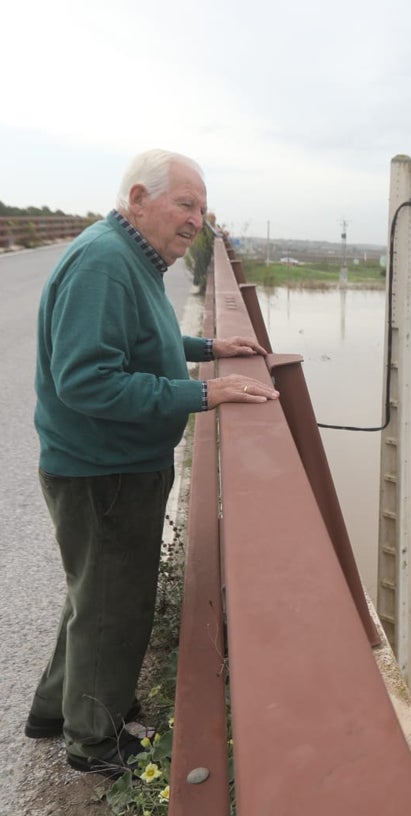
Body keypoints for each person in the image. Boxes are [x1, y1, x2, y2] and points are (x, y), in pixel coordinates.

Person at [24, 149, 278, 777]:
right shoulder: (107, 263)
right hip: (101, 470)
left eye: (202, 208)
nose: (197, 220)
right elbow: (86, 380)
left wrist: (207, 347)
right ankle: (93, 741)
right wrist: (200, 391)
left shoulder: (130, 257)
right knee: (114, 602)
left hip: (108, 462)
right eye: (185, 205)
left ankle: (58, 709)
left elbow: (145, 337)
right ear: (138, 198)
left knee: (96, 594)